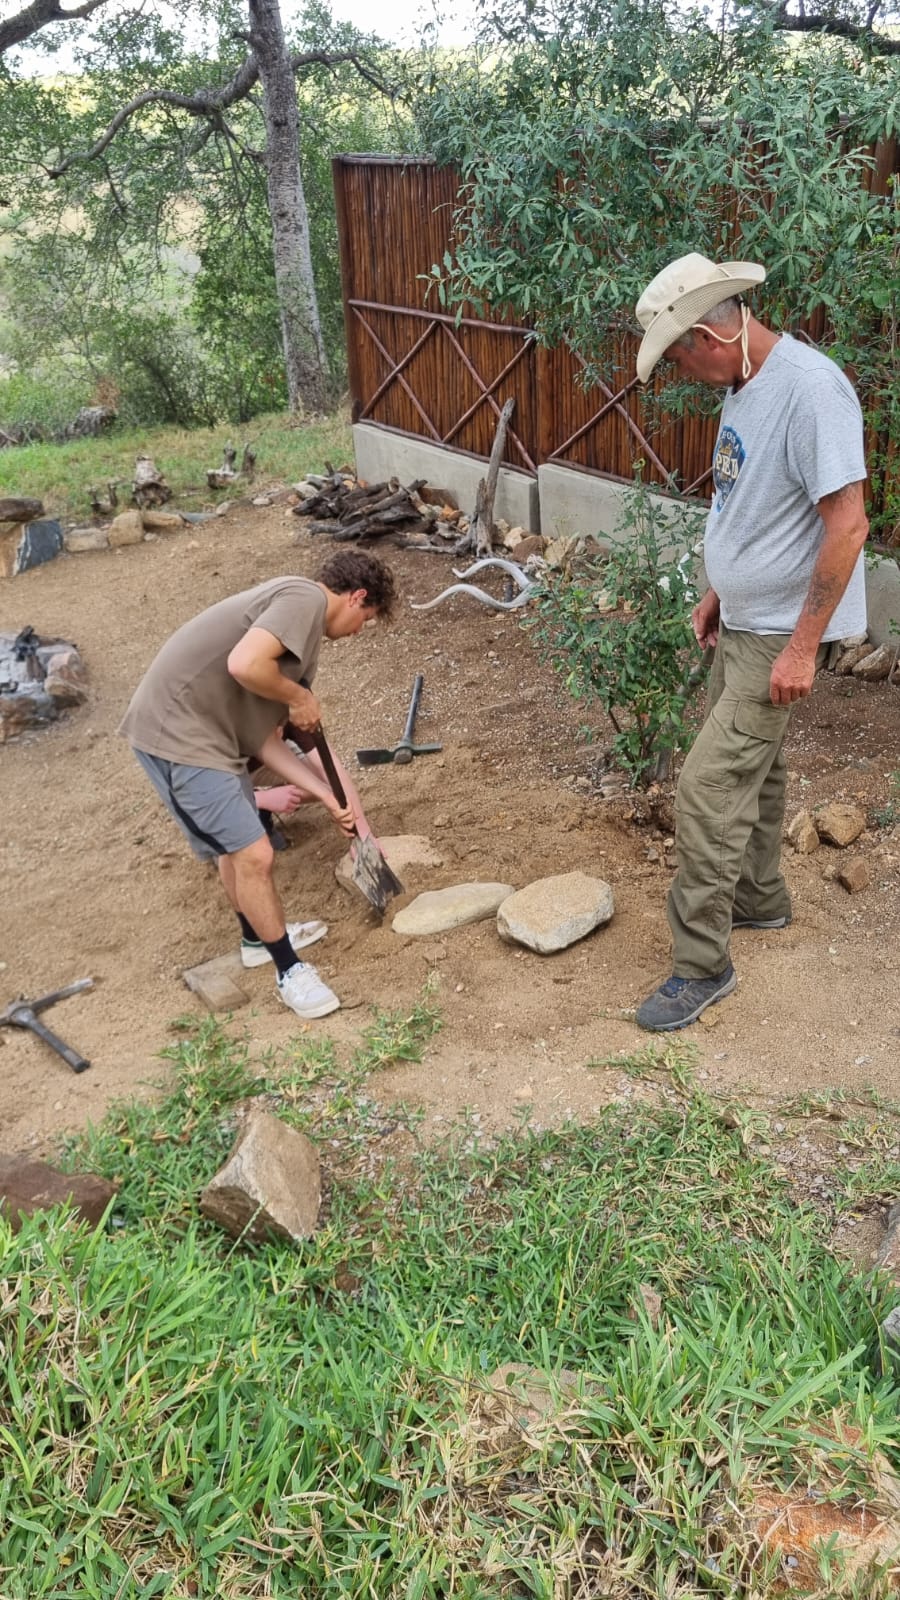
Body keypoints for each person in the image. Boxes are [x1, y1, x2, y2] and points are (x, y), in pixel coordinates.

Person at [631, 252, 869, 1031]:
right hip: (741, 619)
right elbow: (746, 502)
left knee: (706, 790)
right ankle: (760, 899)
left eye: (678, 358)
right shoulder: (744, 385)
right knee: (758, 775)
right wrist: (717, 591)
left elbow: (848, 525)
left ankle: (701, 965)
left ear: (708, 337)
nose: (682, 372)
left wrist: (803, 647)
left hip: (776, 636)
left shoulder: (810, 390)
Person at [120, 550, 396, 1019]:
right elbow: (243, 663)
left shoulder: (298, 636)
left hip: (217, 739)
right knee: (254, 853)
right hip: (179, 738)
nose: (359, 631)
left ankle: (256, 941)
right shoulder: (304, 599)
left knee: (239, 850)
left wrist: (330, 798)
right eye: (366, 619)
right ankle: (289, 971)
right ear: (357, 597)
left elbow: (264, 742)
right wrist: (298, 696)